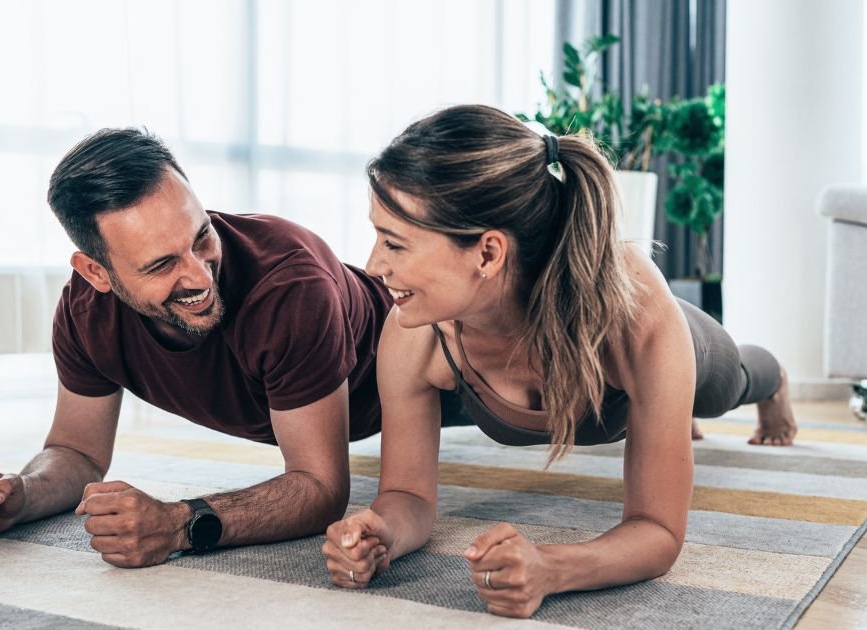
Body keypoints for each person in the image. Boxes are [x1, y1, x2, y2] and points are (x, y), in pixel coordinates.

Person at [320, 105, 798, 618]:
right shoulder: (415, 336)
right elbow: (407, 492)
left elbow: (658, 531)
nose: (373, 265)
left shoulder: (640, 320)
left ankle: (771, 381)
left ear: (487, 253)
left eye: (394, 243)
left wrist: (552, 567)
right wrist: (383, 530)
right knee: (670, 415)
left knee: (729, 387)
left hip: (678, 344)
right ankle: (666, 417)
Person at [0, 128, 393, 568]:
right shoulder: (85, 313)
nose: (200, 277)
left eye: (202, 236)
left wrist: (179, 523)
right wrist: (19, 496)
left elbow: (320, 487)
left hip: (437, 349)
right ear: (95, 273)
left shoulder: (290, 287)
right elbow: (78, 452)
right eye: (161, 264)